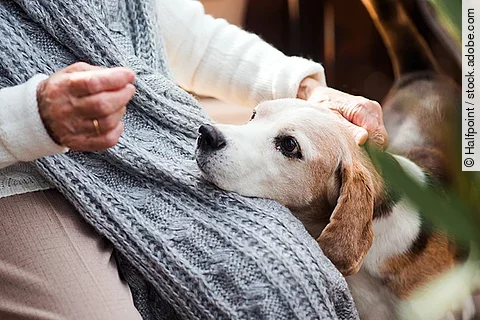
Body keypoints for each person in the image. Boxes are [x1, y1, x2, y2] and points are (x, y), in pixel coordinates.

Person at [0, 0, 387, 319]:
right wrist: (29, 117)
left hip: (154, 147)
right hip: (20, 176)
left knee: (287, 284)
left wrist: (305, 88)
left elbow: (191, 39)